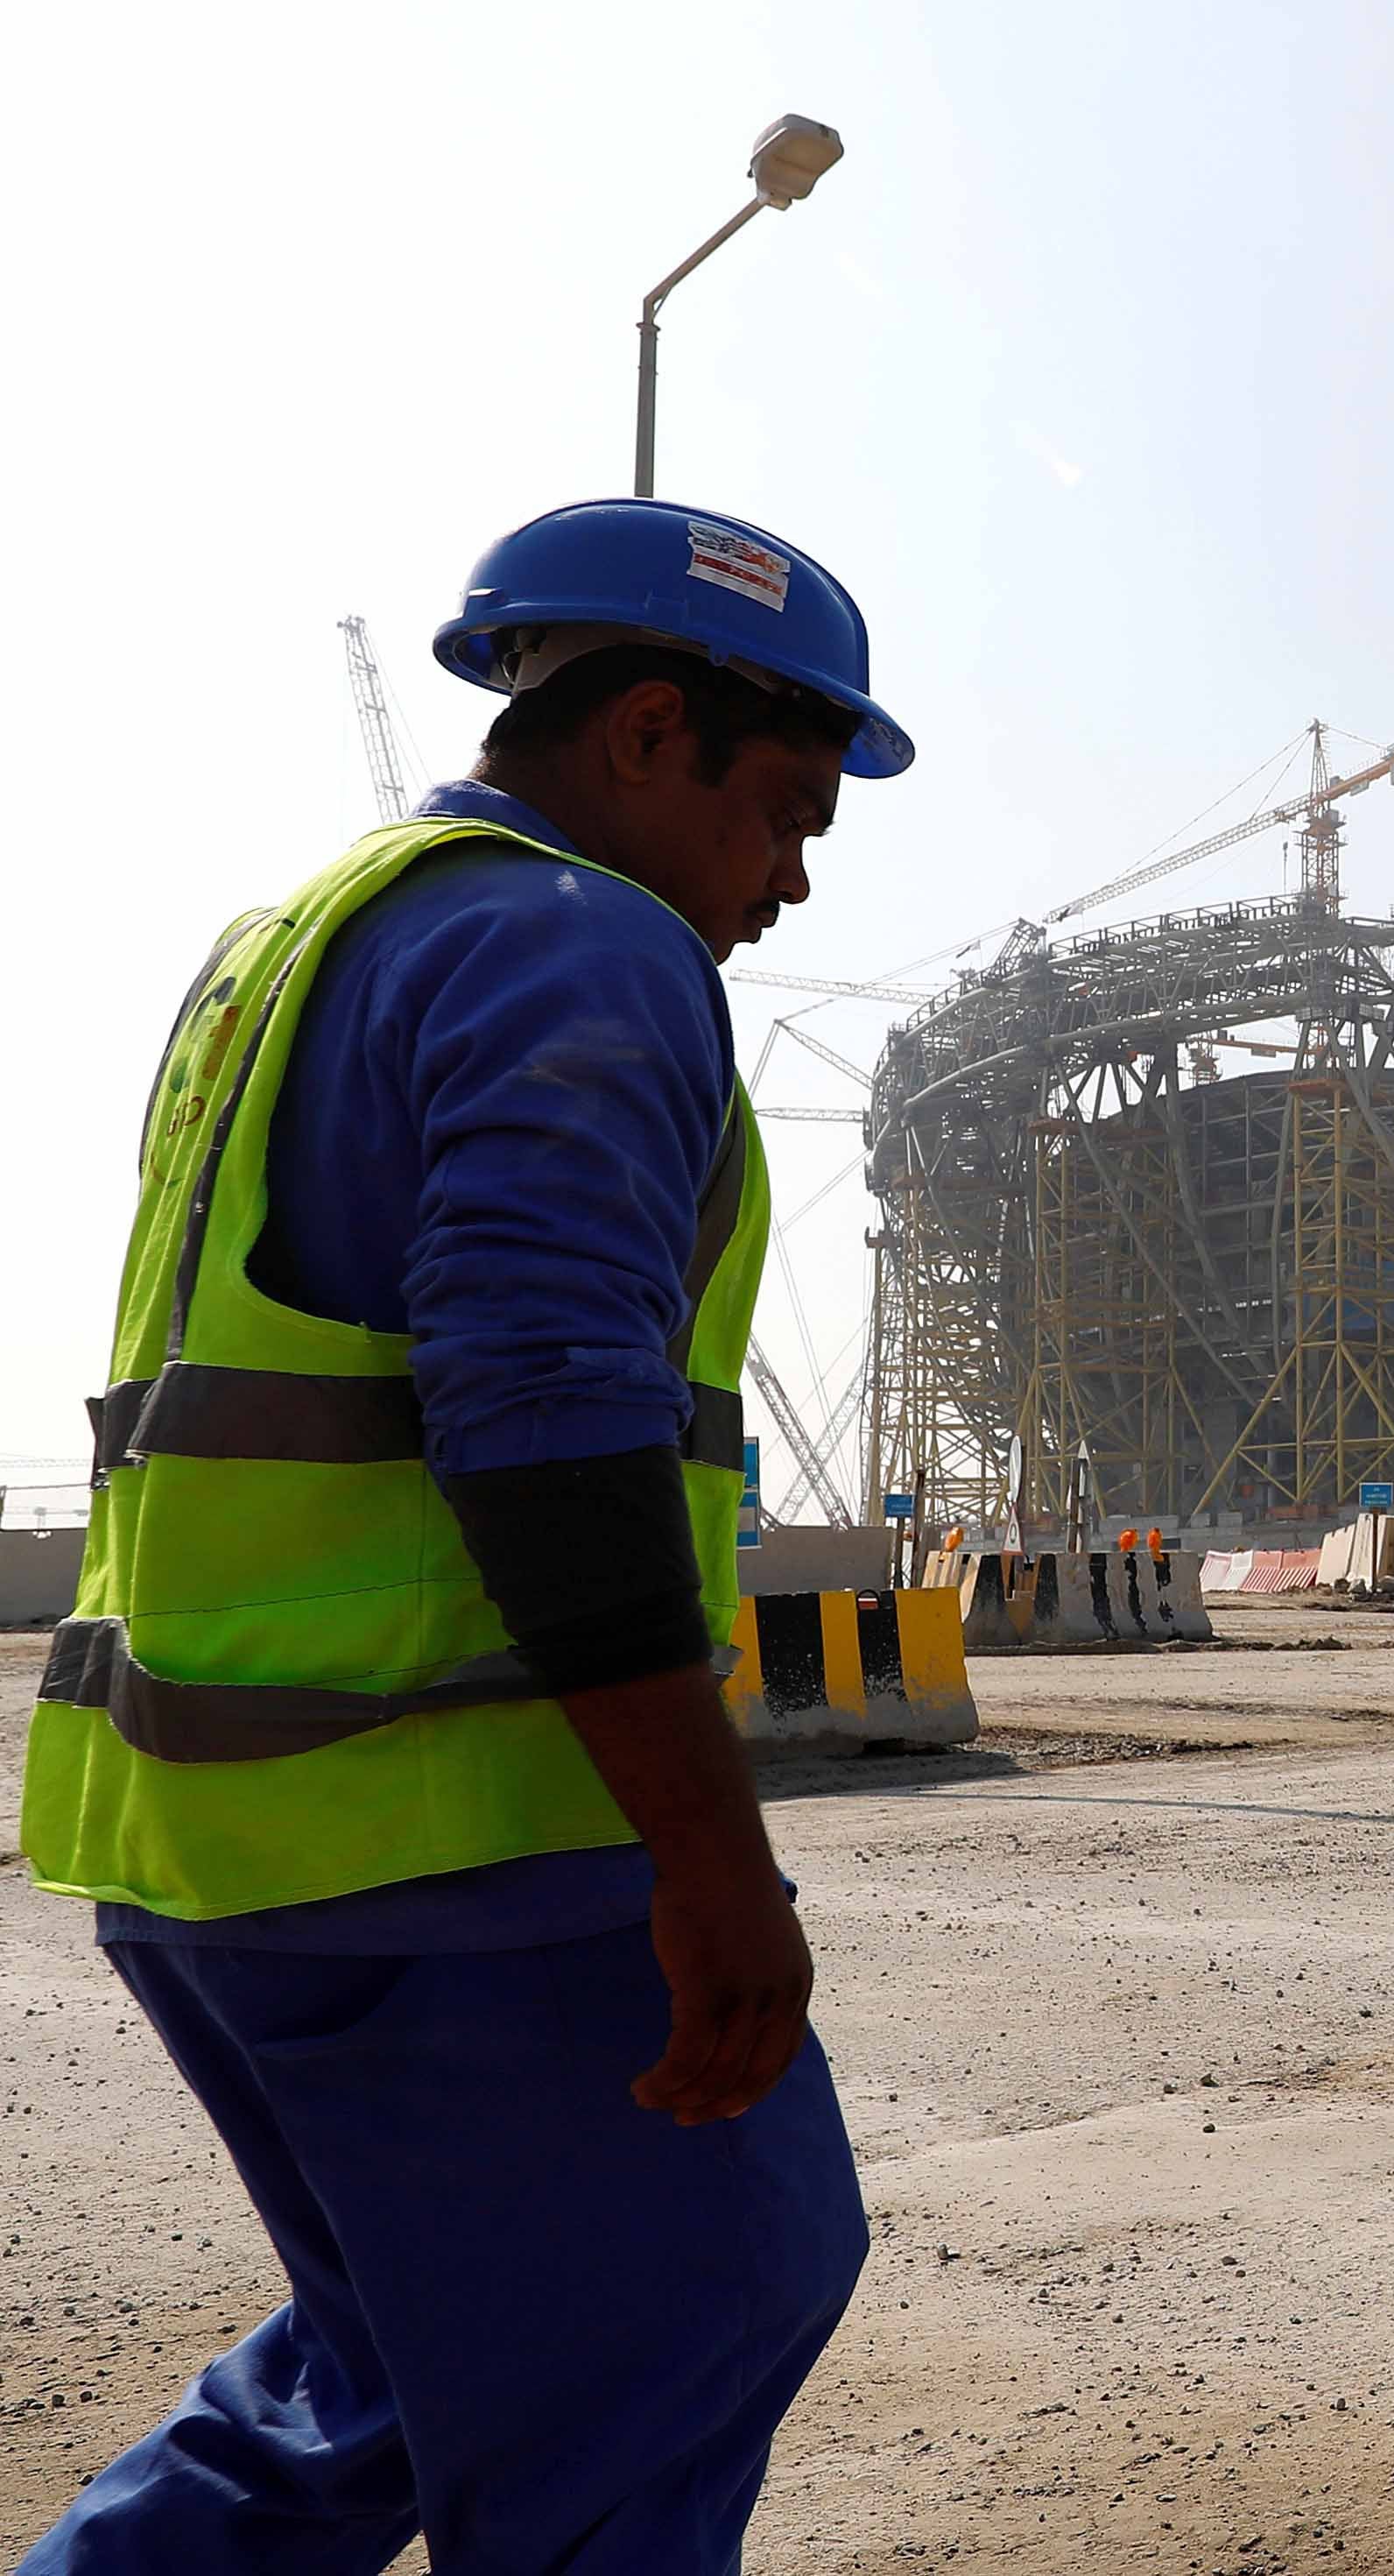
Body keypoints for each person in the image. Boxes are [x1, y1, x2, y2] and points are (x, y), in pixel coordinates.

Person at [18, 498, 911, 2573]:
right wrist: (713, 1866)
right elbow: (546, 1420)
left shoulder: (294, 944)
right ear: (648, 732)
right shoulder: (576, 941)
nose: (784, 882)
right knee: (687, 2332)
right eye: (784, 811)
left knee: (389, 2380)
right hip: (460, 1852)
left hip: (207, 1842)